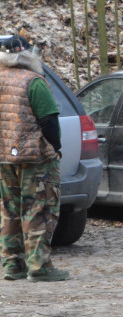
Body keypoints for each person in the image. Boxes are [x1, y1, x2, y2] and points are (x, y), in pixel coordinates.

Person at [0, 37, 68, 282]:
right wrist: (56, 147)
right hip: (35, 158)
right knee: (39, 209)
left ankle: (12, 265)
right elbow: (49, 120)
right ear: (29, 55)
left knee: (9, 210)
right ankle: (39, 266)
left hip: (4, 158)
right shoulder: (34, 82)